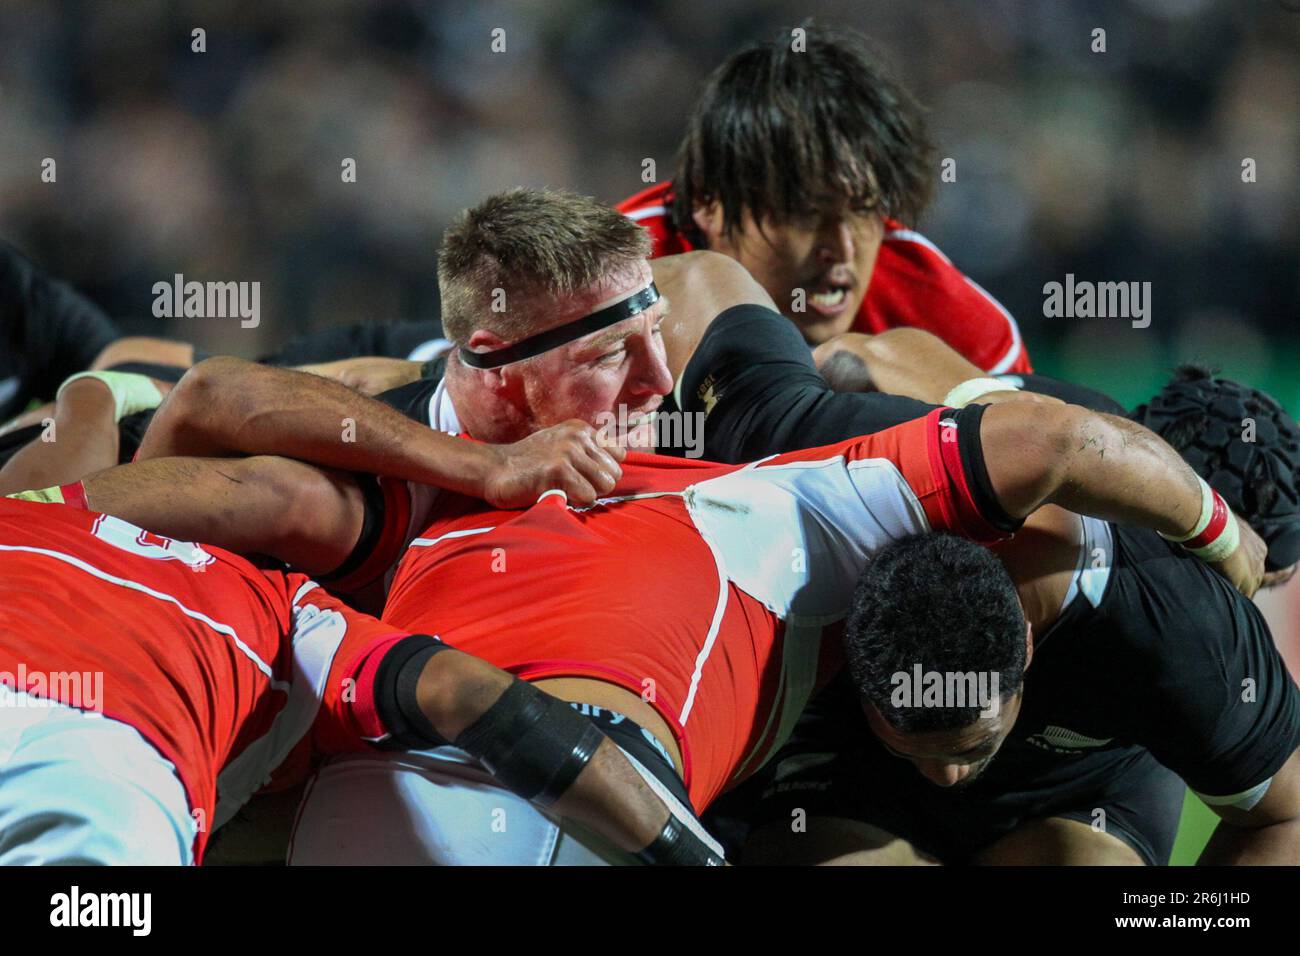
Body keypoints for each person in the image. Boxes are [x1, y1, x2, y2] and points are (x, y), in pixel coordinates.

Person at [616, 22, 1030, 374]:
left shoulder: (954, 324)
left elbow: (1051, 452)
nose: (843, 247)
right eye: (806, 214)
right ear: (709, 202)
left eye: (866, 210)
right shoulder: (610, 284)